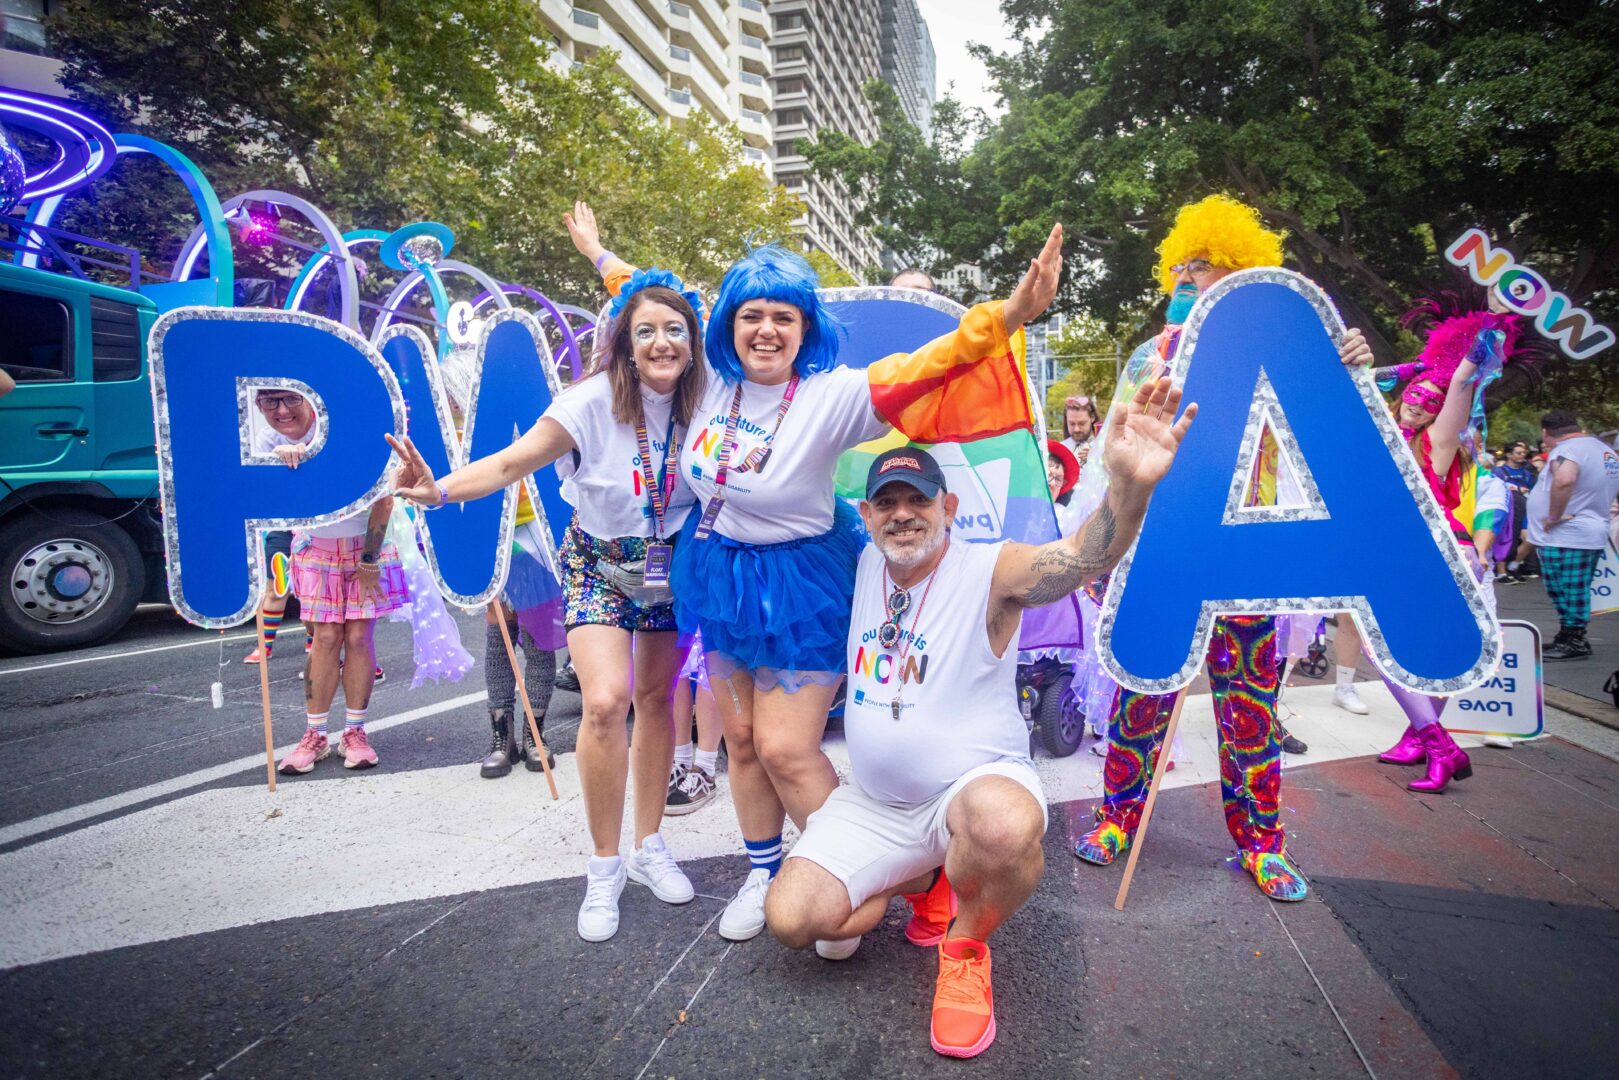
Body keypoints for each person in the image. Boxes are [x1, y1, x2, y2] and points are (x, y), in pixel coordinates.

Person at [565, 204, 1070, 943]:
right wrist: (600, 255)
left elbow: (935, 360)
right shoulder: (708, 386)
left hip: (802, 583)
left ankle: (882, 869)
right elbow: (648, 307)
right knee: (737, 741)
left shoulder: (835, 395)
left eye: (782, 316)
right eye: (750, 315)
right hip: (720, 576)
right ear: (729, 325)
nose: (765, 329)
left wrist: (1010, 314)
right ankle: (764, 868)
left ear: (805, 329)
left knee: (785, 748)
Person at [764, 382, 1193, 1058]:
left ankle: (964, 946)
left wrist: (1128, 487)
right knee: (796, 922)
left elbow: (1084, 556)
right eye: (886, 503)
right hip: (872, 803)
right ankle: (922, 875)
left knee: (1001, 826)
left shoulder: (991, 568)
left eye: (917, 500)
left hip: (972, 785)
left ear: (948, 506)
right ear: (867, 516)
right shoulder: (860, 563)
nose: (902, 514)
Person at [391, 263, 708, 942]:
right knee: (602, 703)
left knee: (656, 704)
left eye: (674, 330)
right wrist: (438, 489)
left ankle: (650, 846)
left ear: (691, 341)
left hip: (673, 566)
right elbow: (511, 462)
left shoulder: (709, 401)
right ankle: (603, 866)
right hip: (596, 561)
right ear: (623, 344)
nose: (661, 342)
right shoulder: (588, 402)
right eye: (645, 330)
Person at [1072, 195, 1372, 902]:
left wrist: (1345, 370)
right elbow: (1107, 457)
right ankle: (1118, 816)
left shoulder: (1289, 356)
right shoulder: (1152, 355)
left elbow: (1331, 442)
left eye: (1201, 266)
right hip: (1162, 553)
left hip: (1247, 558)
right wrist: (1100, 546)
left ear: (1240, 274)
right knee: (1141, 694)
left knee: (1249, 709)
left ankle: (1261, 843)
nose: (1185, 277)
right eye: (1177, 266)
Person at [274, 390, 406, 774]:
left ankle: (355, 733)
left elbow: (384, 501)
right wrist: (277, 461)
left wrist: (369, 559)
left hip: (368, 545)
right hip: (316, 549)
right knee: (325, 638)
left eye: (290, 400)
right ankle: (314, 735)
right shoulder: (267, 437)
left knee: (359, 637)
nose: (281, 410)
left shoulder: (362, 433)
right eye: (270, 402)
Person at [1527, 410, 1619, 661]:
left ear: (1546, 433)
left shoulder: (1567, 450)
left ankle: (1575, 640)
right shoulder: (1604, 450)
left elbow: (1565, 480)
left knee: (1569, 589)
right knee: (1570, 588)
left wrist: (1554, 515)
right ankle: (1568, 635)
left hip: (1569, 533)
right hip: (1583, 529)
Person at [1060, 395, 1100, 468]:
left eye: (1082, 423)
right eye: (1072, 424)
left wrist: (1098, 458)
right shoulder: (1060, 450)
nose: (1076, 429)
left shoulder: (1104, 447)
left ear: (1092, 417)